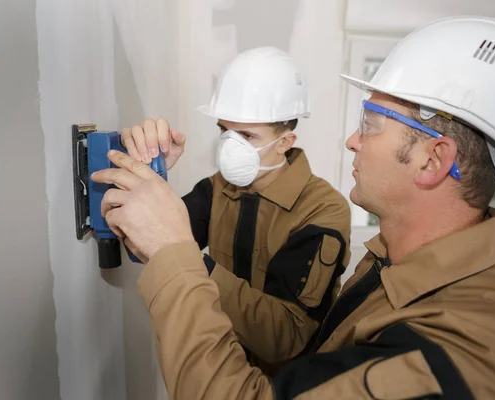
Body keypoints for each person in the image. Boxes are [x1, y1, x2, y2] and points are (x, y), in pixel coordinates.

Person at [93, 16, 495, 399]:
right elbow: (156, 238)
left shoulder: (446, 354)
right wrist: (151, 184)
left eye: (370, 123)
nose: (353, 140)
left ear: (433, 160)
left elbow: (287, 339)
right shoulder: (393, 263)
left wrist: (184, 257)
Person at [120, 46, 351, 373]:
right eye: (224, 131)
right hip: (219, 368)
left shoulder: (321, 210)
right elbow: (140, 246)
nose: (230, 145)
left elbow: (285, 337)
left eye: (246, 135)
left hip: (285, 386)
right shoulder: (216, 189)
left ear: (285, 141)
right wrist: (154, 173)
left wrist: (185, 258)